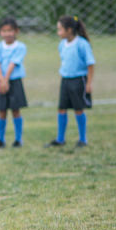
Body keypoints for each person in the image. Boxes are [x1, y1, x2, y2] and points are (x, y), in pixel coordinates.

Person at [46, 15, 95, 148]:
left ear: (69, 30)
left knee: (78, 109)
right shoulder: (62, 45)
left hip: (79, 80)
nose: (58, 32)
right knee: (61, 109)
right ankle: (60, 139)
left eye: (60, 29)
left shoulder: (82, 44)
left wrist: (89, 83)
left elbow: (90, 64)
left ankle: (83, 139)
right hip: (65, 80)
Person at [0, 17, 28, 148]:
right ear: (0, 32)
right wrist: (2, 80)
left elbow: (13, 63)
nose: (7, 33)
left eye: (10, 30)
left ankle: (18, 139)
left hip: (14, 81)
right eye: (4, 31)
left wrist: (6, 80)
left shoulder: (21, 47)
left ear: (16, 31)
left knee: (15, 110)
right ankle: (1, 140)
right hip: (0, 81)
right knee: (2, 110)